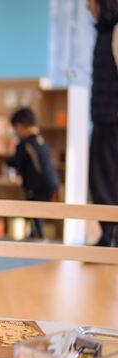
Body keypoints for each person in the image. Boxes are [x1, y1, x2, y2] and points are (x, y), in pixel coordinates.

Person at [87, 0, 118, 247]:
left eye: (91, 1)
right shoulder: (106, 33)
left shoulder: (116, 32)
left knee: (108, 180)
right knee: (102, 181)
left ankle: (112, 236)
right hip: (104, 118)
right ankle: (109, 234)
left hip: (112, 120)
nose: (88, 7)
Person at [6, 108, 60, 239]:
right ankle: (36, 234)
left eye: (16, 128)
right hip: (51, 183)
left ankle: (38, 235)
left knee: (33, 210)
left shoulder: (25, 143)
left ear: (19, 126)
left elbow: (16, 161)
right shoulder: (42, 139)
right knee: (37, 211)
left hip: (38, 185)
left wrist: (6, 161)